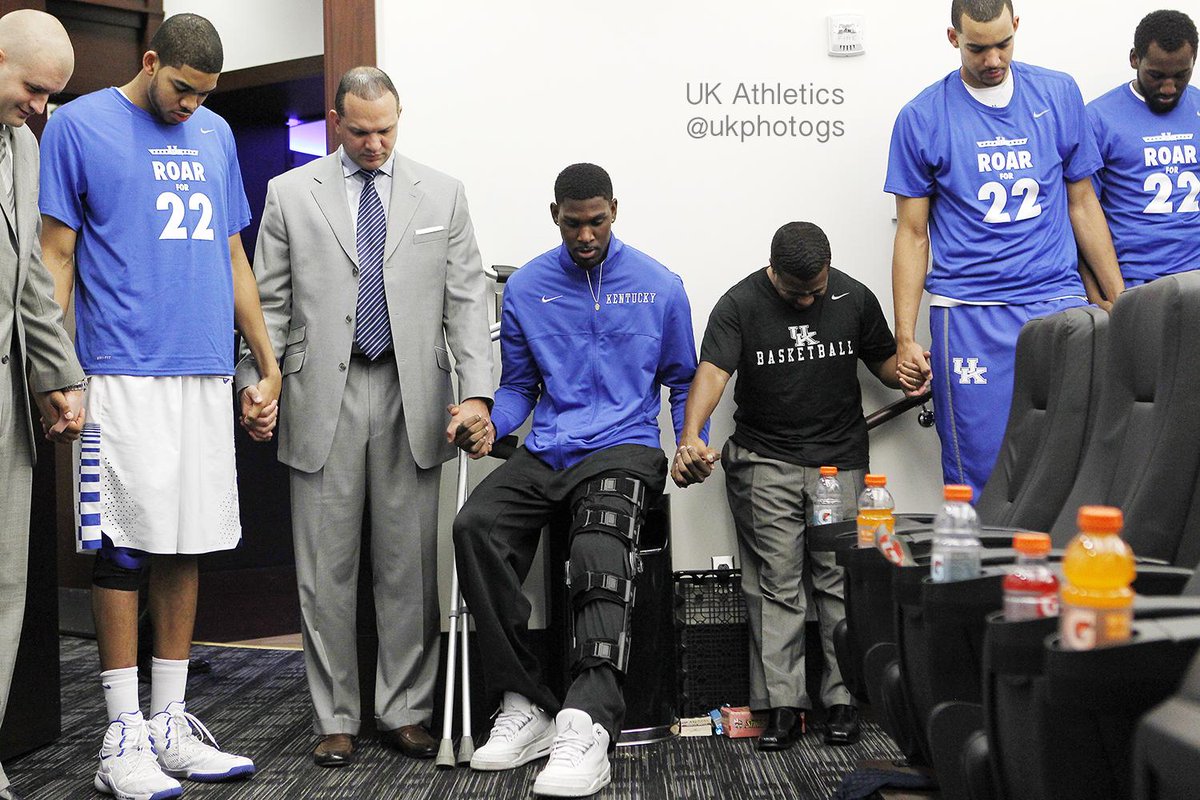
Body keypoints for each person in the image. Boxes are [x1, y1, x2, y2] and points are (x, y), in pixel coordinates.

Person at [39, 14, 280, 799]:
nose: (191, 106)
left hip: (203, 372)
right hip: (121, 371)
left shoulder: (212, 135)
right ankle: (120, 736)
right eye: (181, 89)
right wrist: (57, 370)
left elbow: (233, 256)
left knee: (188, 542)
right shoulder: (77, 126)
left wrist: (265, 364)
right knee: (125, 547)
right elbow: (57, 254)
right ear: (151, 62)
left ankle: (172, 724)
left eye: (204, 95)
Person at [236, 66, 494, 768]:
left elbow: (469, 301)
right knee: (326, 570)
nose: (374, 143)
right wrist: (255, 382)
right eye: (359, 131)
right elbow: (270, 306)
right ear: (336, 119)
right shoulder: (290, 194)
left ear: (399, 117)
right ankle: (336, 717)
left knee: (408, 568)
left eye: (385, 130)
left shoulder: (442, 193)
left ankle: (406, 710)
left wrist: (477, 394)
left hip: (415, 395)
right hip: (322, 394)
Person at [450, 163, 700, 798]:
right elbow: (518, 389)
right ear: (554, 214)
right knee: (475, 526)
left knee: (595, 549)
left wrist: (689, 440)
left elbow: (681, 380)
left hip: (624, 447)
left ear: (614, 210)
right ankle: (525, 702)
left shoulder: (658, 285)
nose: (585, 234)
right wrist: (485, 418)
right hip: (550, 446)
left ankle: (587, 720)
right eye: (573, 222)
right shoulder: (530, 285)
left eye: (596, 221)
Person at [672, 221, 901, 750]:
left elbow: (885, 366)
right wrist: (689, 437)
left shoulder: (853, 296)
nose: (805, 302)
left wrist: (907, 368)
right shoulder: (739, 304)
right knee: (776, 583)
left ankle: (843, 700)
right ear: (772, 270)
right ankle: (782, 706)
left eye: (815, 292)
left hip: (838, 464)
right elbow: (711, 373)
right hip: (764, 459)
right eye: (794, 292)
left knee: (838, 580)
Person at [885, 0, 1125, 497]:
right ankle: (979, 573)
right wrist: (905, 337)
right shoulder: (922, 116)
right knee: (982, 468)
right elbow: (912, 233)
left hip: (1055, 301)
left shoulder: (1058, 92)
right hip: (970, 311)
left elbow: (1083, 203)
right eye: (977, 48)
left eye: (1002, 44)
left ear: (1016, 27)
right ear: (954, 39)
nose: (992, 59)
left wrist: (1120, 299)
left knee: (1075, 457)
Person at [0, 11, 84, 800]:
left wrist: (59, 376)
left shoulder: (24, 148)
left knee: (6, 589)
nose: (40, 109)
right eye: (31, 89)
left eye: (52, 96)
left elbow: (30, 278)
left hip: (6, 406)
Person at [1087, 9, 1199, 285]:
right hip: (1138, 280)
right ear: (1135, 59)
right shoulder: (1098, 119)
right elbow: (1082, 214)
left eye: (1181, 75)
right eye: (1157, 76)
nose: (1169, 88)